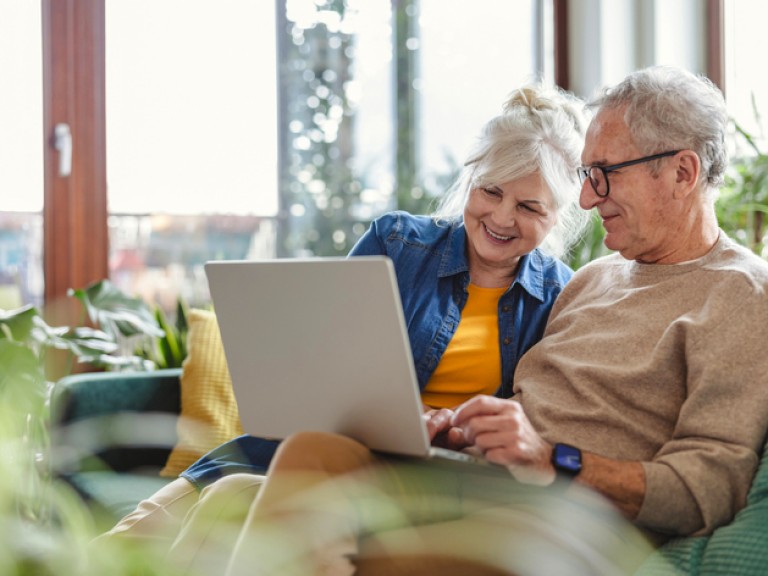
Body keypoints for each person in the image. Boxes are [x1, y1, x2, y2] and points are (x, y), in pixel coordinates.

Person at [151, 65, 768, 576]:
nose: (585, 199)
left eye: (604, 175)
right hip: (475, 479)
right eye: (587, 175)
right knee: (311, 452)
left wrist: (555, 458)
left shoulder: (740, 295)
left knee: (274, 524)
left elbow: (705, 488)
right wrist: (466, 427)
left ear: (683, 173)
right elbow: (528, 404)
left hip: (571, 518)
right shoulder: (594, 279)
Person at [95, 82, 592, 558]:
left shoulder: (560, 297)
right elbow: (317, 367)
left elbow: (532, 429)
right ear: (470, 180)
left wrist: (456, 430)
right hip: (307, 447)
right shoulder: (397, 244)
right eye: (490, 191)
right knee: (130, 538)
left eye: (528, 206)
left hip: (421, 477)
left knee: (228, 502)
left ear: (559, 216)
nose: (502, 217)